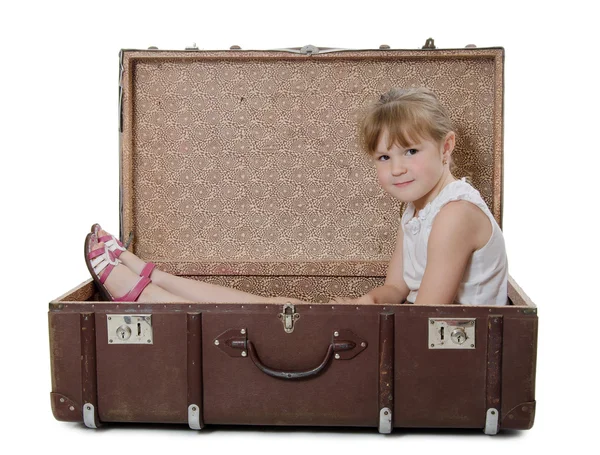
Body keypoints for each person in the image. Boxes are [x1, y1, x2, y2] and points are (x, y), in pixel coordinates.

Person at [85, 87, 508, 306]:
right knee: (280, 307)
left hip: (426, 345)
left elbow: (425, 322)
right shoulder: (416, 207)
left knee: (276, 311)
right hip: (404, 321)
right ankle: (151, 276)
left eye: (411, 151)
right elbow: (395, 289)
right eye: (383, 156)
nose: (396, 168)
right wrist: (357, 303)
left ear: (447, 147)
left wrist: (341, 318)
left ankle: (141, 295)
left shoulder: (454, 213)